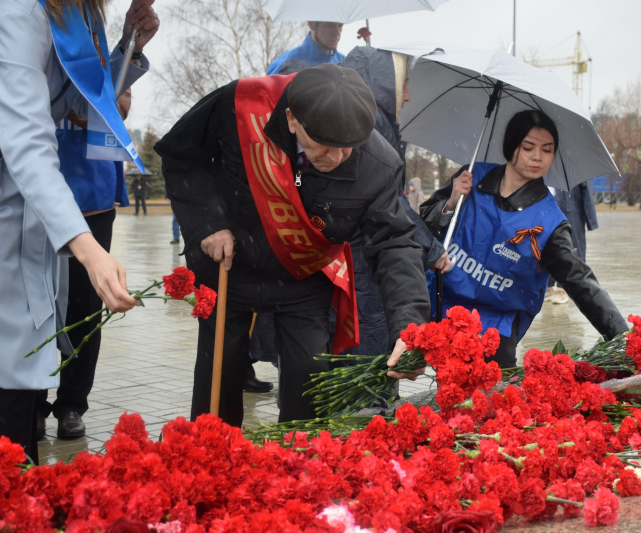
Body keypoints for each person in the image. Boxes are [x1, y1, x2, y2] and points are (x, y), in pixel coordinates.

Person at [155, 63, 429, 425]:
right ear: (292, 119)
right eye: (323, 146)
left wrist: (410, 326)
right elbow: (181, 156)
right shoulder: (240, 105)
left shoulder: (378, 165)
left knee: (308, 384)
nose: (335, 158)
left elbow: (395, 243)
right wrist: (208, 224)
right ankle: (213, 461)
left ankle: (295, 467)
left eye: (347, 148)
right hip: (228, 265)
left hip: (302, 275)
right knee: (217, 379)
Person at [0, 0, 158, 464]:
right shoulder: (18, 10)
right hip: (21, 194)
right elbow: (26, 138)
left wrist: (129, 45)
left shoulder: (81, 11)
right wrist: (89, 251)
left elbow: (78, 101)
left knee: (28, 363)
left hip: (33, 209)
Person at [420, 110, 628, 368]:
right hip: (445, 306)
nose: (538, 157)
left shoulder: (551, 222)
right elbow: (422, 224)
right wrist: (451, 202)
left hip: (498, 324)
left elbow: (579, 279)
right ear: (511, 146)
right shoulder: (472, 177)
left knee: (491, 400)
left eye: (547, 150)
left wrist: (622, 336)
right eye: (528, 147)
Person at [35, 90, 134, 441]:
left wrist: (93, 108)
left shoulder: (97, 46)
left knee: (85, 306)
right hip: (33, 181)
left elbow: (120, 105)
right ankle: (31, 401)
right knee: (34, 299)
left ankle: (71, 404)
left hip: (91, 186)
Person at [546, 182, 598, 304]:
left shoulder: (572, 165)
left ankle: (564, 288)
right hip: (547, 209)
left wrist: (591, 220)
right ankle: (547, 286)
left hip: (572, 211)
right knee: (547, 246)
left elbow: (586, 191)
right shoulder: (540, 165)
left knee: (571, 248)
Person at [266, 21, 344, 75]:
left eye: (340, 25)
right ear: (311, 24)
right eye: (329, 24)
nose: (337, 33)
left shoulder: (346, 63)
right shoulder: (284, 64)